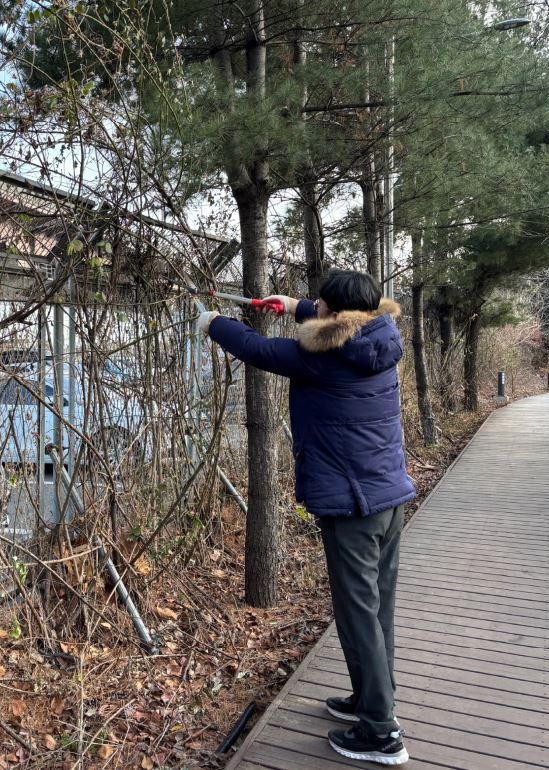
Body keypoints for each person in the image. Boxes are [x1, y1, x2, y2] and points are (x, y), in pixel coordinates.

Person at [197, 269, 415, 766]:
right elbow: (330, 327)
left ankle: (382, 733)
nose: (312, 306)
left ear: (333, 313)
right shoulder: (378, 341)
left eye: (318, 303)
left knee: (358, 613)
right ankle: (371, 699)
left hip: (352, 507)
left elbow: (259, 349)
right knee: (376, 609)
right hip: (386, 498)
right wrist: (292, 305)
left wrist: (213, 323)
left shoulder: (323, 358)